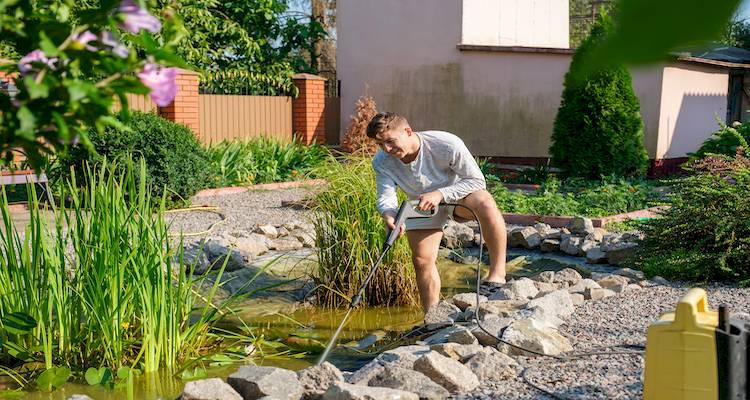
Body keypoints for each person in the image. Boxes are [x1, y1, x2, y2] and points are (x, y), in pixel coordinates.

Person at [367, 112, 508, 313]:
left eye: (390, 141)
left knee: (485, 201)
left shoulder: (446, 143)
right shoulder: (381, 161)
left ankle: (497, 274)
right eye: (381, 144)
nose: (386, 149)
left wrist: (440, 194)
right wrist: (389, 215)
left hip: (458, 197)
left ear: (408, 131)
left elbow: (476, 181)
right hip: (421, 205)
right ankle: (432, 316)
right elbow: (386, 195)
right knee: (421, 259)